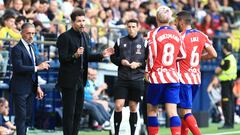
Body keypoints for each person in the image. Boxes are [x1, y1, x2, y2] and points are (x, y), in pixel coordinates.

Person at [56, 9, 114, 135]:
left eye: (83, 20)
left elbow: (88, 56)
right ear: (72, 22)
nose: (82, 23)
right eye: (79, 21)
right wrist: (75, 55)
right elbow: (62, 59)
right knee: (69, 112)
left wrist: (101, 55)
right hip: (69, 80)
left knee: (78, 112)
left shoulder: (85, 36)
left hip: (82, 80)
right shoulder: (64, 37)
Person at [145, 6, 186, 135]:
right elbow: (183, 55)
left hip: (157, 76)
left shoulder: (153, 33)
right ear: (170, 19)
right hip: (173, 77)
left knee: (152, 110)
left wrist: (148, 72)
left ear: (156, 18)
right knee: (172, 112)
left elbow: (151, 55)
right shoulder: (177, 34)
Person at [175, 11, 217, 135]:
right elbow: (214, 54)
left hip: (183, 78)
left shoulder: (180, 36)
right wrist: (200, 56)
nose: (176, 24)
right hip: (196, 78)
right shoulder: (201, 34)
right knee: (183, 111)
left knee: (185, 111)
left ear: (182, 22)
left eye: (177, 21)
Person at [10, 22, 50, 135]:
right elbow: (18, 68)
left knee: (27, 118)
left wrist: (37, 86)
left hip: (30, 88)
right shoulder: (16, 49)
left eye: (33, 33)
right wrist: (38, 67)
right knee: (21, 118)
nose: (31, 36)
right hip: (20, 88)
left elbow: (34, 71)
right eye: (28, 33)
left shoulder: (32, 47)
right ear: (21, 33)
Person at [110, 18, 148, 135]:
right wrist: (121, 62)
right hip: (122, 78)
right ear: (127, 27)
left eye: (133, 27)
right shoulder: (119, 41)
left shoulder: (144, 43)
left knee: (133, 107)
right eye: (129, 27)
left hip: (137, 79)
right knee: (118, 105)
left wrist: (139, 64)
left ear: (138, 28)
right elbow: (113, 57)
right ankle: (116, 133)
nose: (131, 29)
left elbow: (148, 61)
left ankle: (132, 133)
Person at [215, 43, 237, 129]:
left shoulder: (226, 59)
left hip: (226, 84)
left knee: (226, 103)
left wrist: (218, 71)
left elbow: (218, 70)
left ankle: (227, 123)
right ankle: (230, 123)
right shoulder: (233, 58)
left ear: (224, 49)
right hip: (231, 83)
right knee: (230, 103)